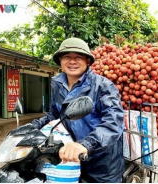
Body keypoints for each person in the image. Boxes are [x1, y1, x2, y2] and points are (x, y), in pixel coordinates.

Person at [31, 37, 125, 183]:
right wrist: (33, 126)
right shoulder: (57, 84)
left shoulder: (103, 86)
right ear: (60, 61)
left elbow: (114, 122)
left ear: (87, 61)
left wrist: (86, 144)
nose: (72, 61)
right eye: (67, 56)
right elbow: (54, 115)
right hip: (70, 156)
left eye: (78, 57)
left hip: (102, 161)